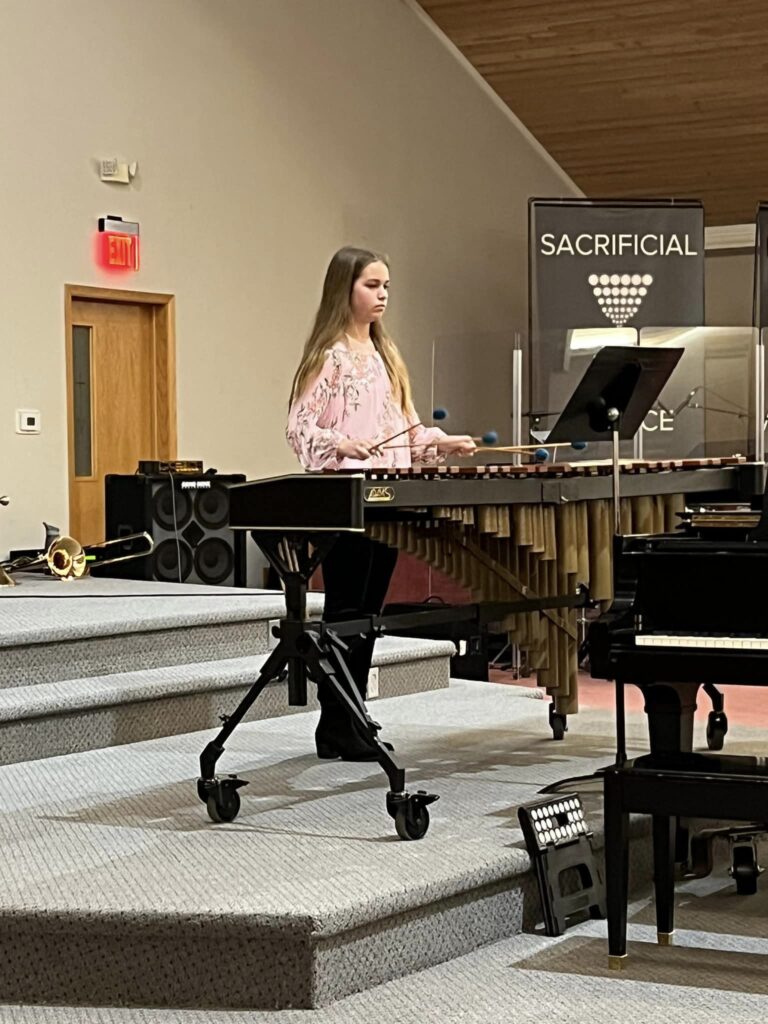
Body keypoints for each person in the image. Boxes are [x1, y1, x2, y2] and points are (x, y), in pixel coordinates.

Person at [286, 246, 475, 760]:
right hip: (346, 500)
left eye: (386, 285)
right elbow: (299, 428)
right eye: (372, 285)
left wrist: (439, 442)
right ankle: (338, 721)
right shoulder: (329, 357)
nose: (383, 294)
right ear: (344, 289)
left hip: (387, 499)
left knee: (369, 613)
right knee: (346, 611)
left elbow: (405, 430)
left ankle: (348, 719)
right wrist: (341, 444)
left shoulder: (386, 355)